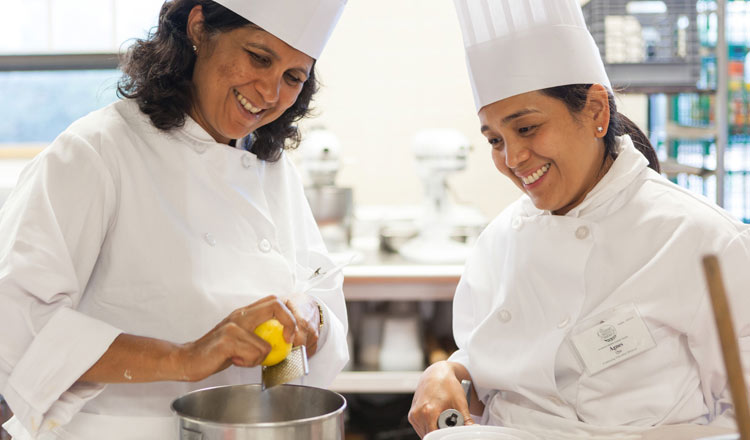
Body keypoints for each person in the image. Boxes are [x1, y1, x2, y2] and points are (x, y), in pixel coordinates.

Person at [0, 0, 349, 438]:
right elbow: (14, 324)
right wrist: (183, 357)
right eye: (258, 58)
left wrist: (308, 321)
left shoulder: (274, 171)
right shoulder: (97, 153)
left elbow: (304, 355)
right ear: (199, 29)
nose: (270, 93)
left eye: (293, 77)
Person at [408, 1, 750, 439]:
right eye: (495, 140)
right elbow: (491, 365)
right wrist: (449, 371)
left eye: (527, 128)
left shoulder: (704, 240)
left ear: (595, 111)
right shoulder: (498, 243)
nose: (512, 159)